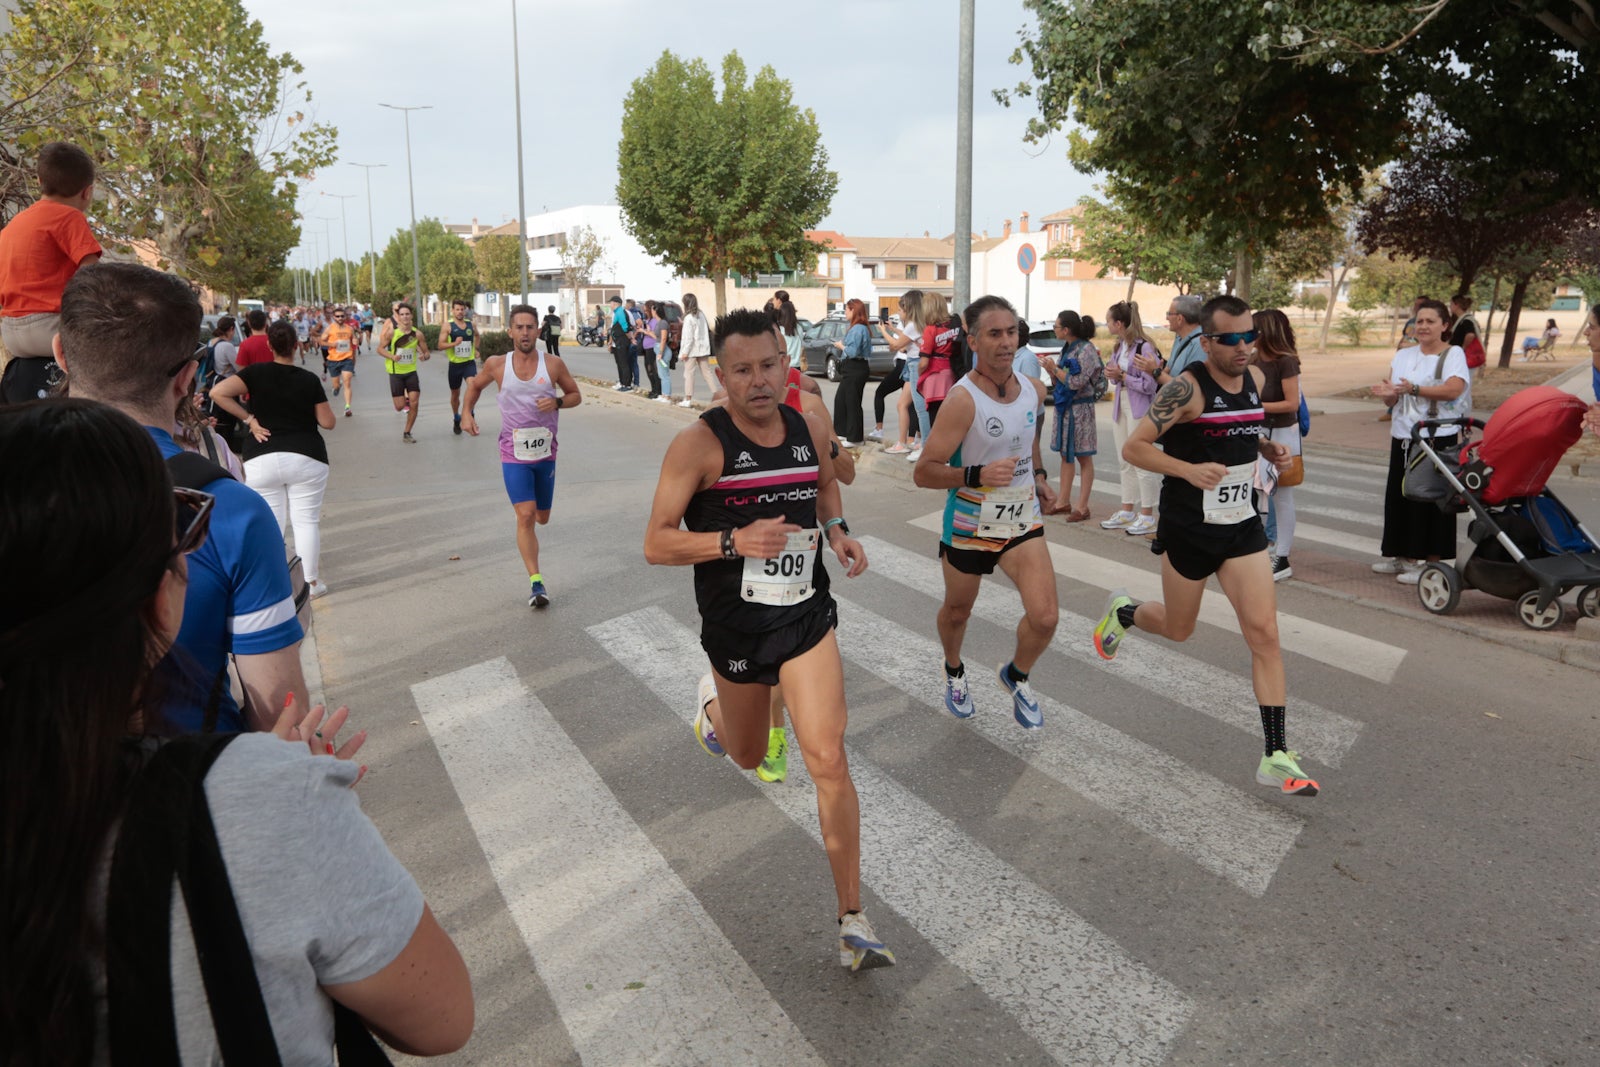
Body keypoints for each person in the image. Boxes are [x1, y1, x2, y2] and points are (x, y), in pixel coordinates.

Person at [0, 398, 475, 1063]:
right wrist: (265, 789)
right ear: (157, 596)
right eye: (181, 524)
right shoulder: (264, 797)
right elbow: (442, 1018)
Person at [643, 307, 891, 972]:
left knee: (827, 756)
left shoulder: (808, 421)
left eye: (768, 366)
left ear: (786, 363)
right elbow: (656, 542)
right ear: (721, 376)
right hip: (735, 625)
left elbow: (826, 484)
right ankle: (713, 706)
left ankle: (853, 917)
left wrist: (837, 532)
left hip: (805, 613)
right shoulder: (698, 444)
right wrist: (734, 541)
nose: (758, 381)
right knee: (750, 754)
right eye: (742, 370)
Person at [52, 261, 308, 732]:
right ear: (187, 377)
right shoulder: (230, 512)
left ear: (61, 355)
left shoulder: (20, 479)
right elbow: (280, 718)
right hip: (191, 772)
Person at [1090, 295, 1317, 798]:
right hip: (1190, 526)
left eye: (1249, 336)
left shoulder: (1253, 378)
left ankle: (1275, 754)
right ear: (1208, 341)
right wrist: (1188, 470)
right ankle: (1124, 613)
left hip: (1241, 525)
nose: (1243, 347)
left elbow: (1240, 431)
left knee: (1265, 633)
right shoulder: (1186, 389)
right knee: (1179, 628)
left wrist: (1266, 447)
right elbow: (1134, 447)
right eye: (1231, 339)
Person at [913, 294, 1058, 729]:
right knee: (958, 611)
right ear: (973, 341)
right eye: (994, 334)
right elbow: (924, 472)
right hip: (970, 520)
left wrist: (1039, 475)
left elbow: (1027, 438)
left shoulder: (1033, 389)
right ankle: (954, 668)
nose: (1006, 342)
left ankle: (1016, 674)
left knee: (1045, 616)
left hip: (1021, 517)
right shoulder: (962, 400)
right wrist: (976, 474)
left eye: (1011, 332)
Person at [461, 304, 581, 608]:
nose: (525, 333)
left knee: (542, 517)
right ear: (510, 332)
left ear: (538, 331)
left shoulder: (552, 364)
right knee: (525, 515)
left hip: (545, 454)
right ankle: (536, 583)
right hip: (513, 453)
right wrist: (466, 413)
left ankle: (535, 516)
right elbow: (474, 387)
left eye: (530, 327)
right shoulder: (497, 365)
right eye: (519, 327)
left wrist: (557, 403)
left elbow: (575, 395)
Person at [209, 320, 336, 599]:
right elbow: (328, 422)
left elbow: (217, 393)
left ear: (269, 345)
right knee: (305, 522)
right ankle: (310, 583)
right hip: (306, 456)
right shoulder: (308, 380)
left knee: (271, 523)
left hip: (261, 456)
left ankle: (275, 583)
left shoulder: (255, 373)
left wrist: (250, 419)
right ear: (296, 346)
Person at [1370, 298, 1470, 583]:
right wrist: (1389, 395)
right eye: (1419, 321)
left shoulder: (1453, 354)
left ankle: (1431, 563)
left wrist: (1414, 389)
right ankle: (1403, 556)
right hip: (1403, 435)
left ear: (1445, 325)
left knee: (1430, 500)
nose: (1423, 326)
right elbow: (1394, 397)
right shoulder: (1403, 355)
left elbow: (1454, 389)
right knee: (1399, 497)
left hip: (1436, 436)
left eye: (1430, 321)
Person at [0, 142, 102, 404]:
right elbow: (93, 274)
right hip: (50, 330)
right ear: (87, 192)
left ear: (39, 181)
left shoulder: (15, 224)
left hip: (11, 332)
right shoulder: (69, 217)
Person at [1099, 300, 1163, 536]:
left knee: (1141, 461)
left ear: (1119, 323)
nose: (1106, 325)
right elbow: (1115, 376)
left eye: (1108, 321)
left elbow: (1149, 385)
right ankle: (1127, 510)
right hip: (1121, 404)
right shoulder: (1120, 346)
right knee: (1124, 459)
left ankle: (1147, 515)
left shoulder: (1144, 347)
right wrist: (1113, 374)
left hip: (1139, 407)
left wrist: (1123, 376)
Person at [1251, 309, 1302, 582]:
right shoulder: (1253, 359)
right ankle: (1257, 547)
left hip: (1282, 434)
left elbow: (1292, 403)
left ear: (1267, 332)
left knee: (1282, 496)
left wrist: (1255, 406)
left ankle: (1282, 557)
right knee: (1253, 491)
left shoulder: (1286, 362)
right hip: (1256, 432)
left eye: (1254, 329)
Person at [1042, 310, 1101, 522]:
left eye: (1056, 327)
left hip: (1080, 409)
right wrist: (1052, 371)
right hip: (1065, 407)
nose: (1054, 330)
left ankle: (1082, 507)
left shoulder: (1086, 350)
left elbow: (1076, 382)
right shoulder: (1067, 348)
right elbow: (1062, 380)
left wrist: (1055, 370)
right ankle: (1063, 501)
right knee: (1065, 455)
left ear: (1066, 329)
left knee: (1083, 456)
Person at [881, 290, 928, 457]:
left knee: (919, 407)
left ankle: (920, 445)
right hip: (913, 363)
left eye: (901, 309)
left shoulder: (912, 325)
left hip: (915, 364)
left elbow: (896, 346)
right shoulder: (919, 324)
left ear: (909, 309)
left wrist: (884, 332)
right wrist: (894, 331)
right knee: (906, 404)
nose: (899, 313)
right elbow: (904, 344)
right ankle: (912, 441)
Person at [379, 302, 429, 442]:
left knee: (414, 402)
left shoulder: (417, 334)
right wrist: (392, 357)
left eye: (407, 314)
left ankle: (407, 432)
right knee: (400, 406)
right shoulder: (392, 333)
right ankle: (402, 403)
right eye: (402, 314)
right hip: (396, 373)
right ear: (398, 317)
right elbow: (380, 349)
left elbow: (426, 353)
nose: (405, 317)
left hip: (411, 372)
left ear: (411, 315)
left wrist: (424, 356)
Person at [830, 298, 873, 446]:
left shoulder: (858, 328)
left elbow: (853, 351)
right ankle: (842, 433)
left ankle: (855, 438)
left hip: (855, 366)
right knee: (841, 400)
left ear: (853, 310)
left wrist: (841, 346)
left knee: (852, 402)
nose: (845, 312)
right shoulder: (857, 327)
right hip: (852, 367)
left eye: (847, 309)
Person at [916, 292, 960, 433]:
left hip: (935, 377)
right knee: (950, 422)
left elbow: (924, 363)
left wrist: (919, 373)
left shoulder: (930, 330)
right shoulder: (954, 327)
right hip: (952, 374)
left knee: (936, 423)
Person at [1146, 294, 1204, 385]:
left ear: (1180, 319)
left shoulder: (1201, 345)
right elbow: (1169, 369)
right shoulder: (1179, 338)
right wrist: (1157, 371)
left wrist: (1156, 372)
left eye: (1169, 314)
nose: (1167, 318)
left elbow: (1189, 389)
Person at [442, 298, 479, 434]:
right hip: (455, 365)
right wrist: (454, 344)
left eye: (462, 309)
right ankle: (456, 417)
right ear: (452, 311)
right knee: (455, 394)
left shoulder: (471, 324)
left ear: (465, 311)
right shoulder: (448, 326)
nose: (460, 312)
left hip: (469, 363)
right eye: (457, 309)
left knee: (472, 386)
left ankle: (469, 412)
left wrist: (476, 349)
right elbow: (440, 345)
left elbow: (477, 336)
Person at [678, 292, 716, 406]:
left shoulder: (689, 318)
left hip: (691, 350)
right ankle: (717, 394)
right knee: (707, 373)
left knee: (689, 374)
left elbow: (689, 337)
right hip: (703, 348)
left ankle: (688, 399)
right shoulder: (701, 315)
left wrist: (685, 352)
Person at [321, 305, 359, 417]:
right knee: (336, 384)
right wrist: (331, 344)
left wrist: (355, 340)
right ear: (334, 317)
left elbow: (354, 338)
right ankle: (336, 387)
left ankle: (347, 407)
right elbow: (321, 341)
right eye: (337, 316)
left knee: (347, 381)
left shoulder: (349, 328)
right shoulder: (329, 328)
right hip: (333, 360)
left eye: (342, 316)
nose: (340, 318)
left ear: (345, 316)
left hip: (347, 358)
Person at [648, 300, 673, 403]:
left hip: (662, 351)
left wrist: (660, 353)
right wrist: (648, 331)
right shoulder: (659, 323)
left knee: (664, 374)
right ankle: (663, 394)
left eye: (652, 310)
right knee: (661, 374)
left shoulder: (663, 323)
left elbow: (663, 338)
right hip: (658, 348)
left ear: (656, 311)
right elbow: (657, 337)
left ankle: (667, 396)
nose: (651, 312)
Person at [608, 295, 634, 390]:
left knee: (624, 363)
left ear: (615, 303)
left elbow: (625, 327)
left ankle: (627, 384)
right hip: (618, 341)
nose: (610, 305)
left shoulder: (620, 312)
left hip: (622, 341)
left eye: (611, 303)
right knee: (620, 363)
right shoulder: (617, 312)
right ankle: (623, 383)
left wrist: (631, 338)